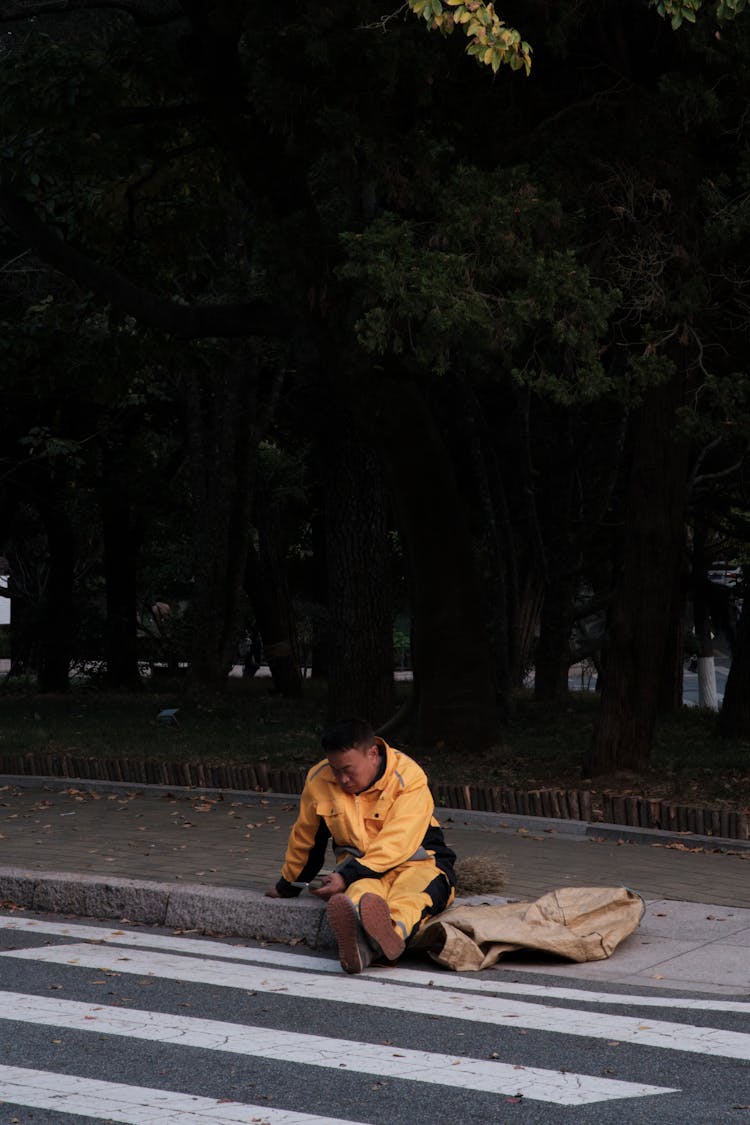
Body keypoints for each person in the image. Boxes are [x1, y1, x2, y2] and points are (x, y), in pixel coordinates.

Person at [265, 717, 456, 974]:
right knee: (359, 896)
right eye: (335, 769)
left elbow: (397, 842)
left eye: (348, 769)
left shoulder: (409, 776)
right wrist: (288, 885)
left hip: (420, 863)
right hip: (360, 870)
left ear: (373, 753)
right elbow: (306, 839)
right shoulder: (318, 779)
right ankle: (363, 946)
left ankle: (389, 935)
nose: (341, 779)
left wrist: (346, 874)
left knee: (411, 897)